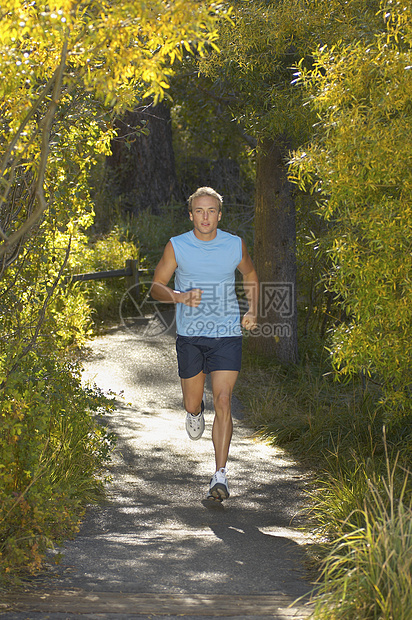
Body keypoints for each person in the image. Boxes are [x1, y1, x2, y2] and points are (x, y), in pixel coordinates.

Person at [150, 187, 259, 502]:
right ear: (191, 215)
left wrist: (253, 309)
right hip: (191, 337)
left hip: (226, 334)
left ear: (219, 215)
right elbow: (157, 287)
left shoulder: (234, 244)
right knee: (193, 403)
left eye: (211, 210)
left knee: (223, 400)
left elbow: (250, 273)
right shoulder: (177, 247)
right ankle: (194, 412)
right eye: (199, 211)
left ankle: (220, 476)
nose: (206, 216)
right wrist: (180, 297)